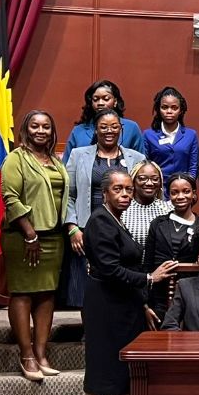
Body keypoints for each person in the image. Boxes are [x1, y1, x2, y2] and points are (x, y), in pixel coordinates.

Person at [82, 169, 177, 395]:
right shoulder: (99, 221)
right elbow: (110, 269)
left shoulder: (116, 220)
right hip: (103, 304)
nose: (125, 195)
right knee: (100, 365)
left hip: (126, 304)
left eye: (128, 190)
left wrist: (141, 300)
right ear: (105, 193)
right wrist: (150, 279)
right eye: (118, 190)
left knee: (127, 365)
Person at [0, 110, 69, 381]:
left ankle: (41, 354)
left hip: (53, 236)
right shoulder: (16, 159)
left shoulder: (54, 159)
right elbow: (10, 197)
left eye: (47, 127)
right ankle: (26, 354)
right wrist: (29, 233)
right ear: (26, 130)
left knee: (47, 294)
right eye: (35, 126)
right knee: (24, 293)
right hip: (24, 236)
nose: (41, 131)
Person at [63, 108, 146, 308]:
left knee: (120, 283)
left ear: (121, 129)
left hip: (126, 229)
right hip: (86, 230)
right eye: (103, 127)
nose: (109, 131)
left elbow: (144, 192)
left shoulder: (136, 157)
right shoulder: (78, 155)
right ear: (96, 130)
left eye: (114, 126)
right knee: (86, 289)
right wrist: (72, 228)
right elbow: (68, 195)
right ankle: (88, 332)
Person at [143, 172, 199, 326]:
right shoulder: (158, 224)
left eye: (186, 191)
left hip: (193, 298)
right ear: (168, 195)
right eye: (174, 192)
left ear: (193, 194)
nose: (180, 196)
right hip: (158, 297)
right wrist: (144, 303)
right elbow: (147, 264)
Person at [62, 79, 144, 161]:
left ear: (115, 101)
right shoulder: (78, 131)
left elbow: (141, 164)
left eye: (106, 99)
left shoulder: (131, 128)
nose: (100, 103)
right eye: (96, 99)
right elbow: (67, 166)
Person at [142, 86, 199, 189]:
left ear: (181, 110)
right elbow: (144, 165)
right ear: (158, 109)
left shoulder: (191, 135)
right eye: (164, 107)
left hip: (182, 190)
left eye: (174, 108)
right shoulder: (148, 135)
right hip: (157, 190)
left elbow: (193, 167)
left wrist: (187, 186)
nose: (169, 111)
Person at [120, 161, 171, 250]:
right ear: (133, 181)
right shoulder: (122, 210)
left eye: (155, 179)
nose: (149, 183)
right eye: (142, 178)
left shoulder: (169, 210)